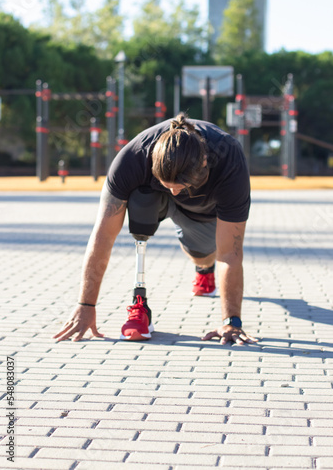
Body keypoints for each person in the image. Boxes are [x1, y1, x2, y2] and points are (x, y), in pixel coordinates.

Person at [53, 113, 258, 345]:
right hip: (152, 202)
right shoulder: (134, 157)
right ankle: (140, 307)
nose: (173, 192)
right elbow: (103, 235)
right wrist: (86, 305)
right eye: (166, 184)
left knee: (204, 254)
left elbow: (230, 252)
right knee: (142, 200)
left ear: (203, 163)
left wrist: (232, 321)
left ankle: (203, 269)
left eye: (180, 186)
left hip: (201, 213)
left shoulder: (229, 159)